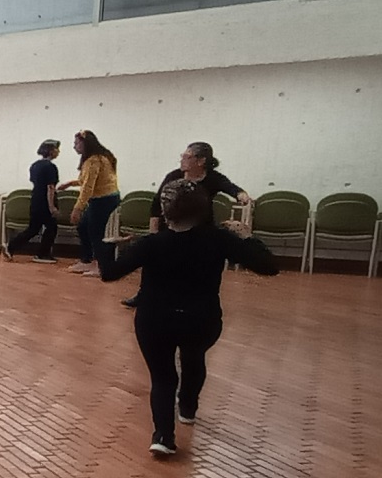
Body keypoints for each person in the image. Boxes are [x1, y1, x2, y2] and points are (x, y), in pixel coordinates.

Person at [99, 180, 278, 456]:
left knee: (163, 378)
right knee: (194, 357)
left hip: (155, 320)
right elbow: (269, 268)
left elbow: (109, 273)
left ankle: (163, 436)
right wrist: (247, 236)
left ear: (166, 212)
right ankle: (188, 407)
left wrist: (112, 246)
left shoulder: (152, 243)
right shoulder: (219, 239)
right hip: (201, 320)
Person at [121, 142, 252, 308]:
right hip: (170, 226)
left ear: (201, 161)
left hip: (200, 229)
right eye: (182, 156)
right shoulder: (173, 176)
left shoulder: (212, 177)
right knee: (153, 264)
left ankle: (196, 298)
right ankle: (143, 295)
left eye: (187, 157)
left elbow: (232, 188)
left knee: (196, 265)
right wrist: (153, 232)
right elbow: (156, 205)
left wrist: (242, 196)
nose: (182, 160)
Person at [59, 130, 120, 276]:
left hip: (104, 199)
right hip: (102, 198)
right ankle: (87, 261)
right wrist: (69, 184)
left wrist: (77, 208)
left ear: (85, 143)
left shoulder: (94, 160)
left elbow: (88, 187)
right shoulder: (95, 158)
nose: (74, 147)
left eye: (76, 143)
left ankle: (100, 266)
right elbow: (85, 181)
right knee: (83, 227)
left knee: (94, 231)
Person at [3, 140, 61, 263]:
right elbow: (50, 187)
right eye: (56, 149)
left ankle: (11, 246)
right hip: (45, 202)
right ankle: (42, 254)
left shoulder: (35, 165)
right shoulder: (51, 167)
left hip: (36, 199)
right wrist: (52, 207)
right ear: (50, 150)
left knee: (33, 229)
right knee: (52, 227)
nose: (58, 151)